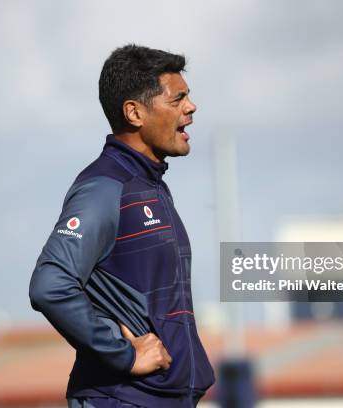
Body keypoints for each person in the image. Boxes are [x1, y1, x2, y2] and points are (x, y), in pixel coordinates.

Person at [29, 44, 215, 408]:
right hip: (123, 399)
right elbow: (50, 285)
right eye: (177, 99)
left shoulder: (150, 185)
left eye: (188, 98)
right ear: (134, 113)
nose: (191, 108)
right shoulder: (105, 187)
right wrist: (124, 354)